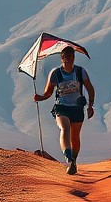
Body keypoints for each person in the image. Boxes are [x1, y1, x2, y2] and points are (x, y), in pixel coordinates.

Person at [32, 45, 95, 175]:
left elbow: (90, 88)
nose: (68, 60)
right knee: (64, 128)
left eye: (70, 58)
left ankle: (73, 162)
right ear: (62, 59)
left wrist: (90, 106)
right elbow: (48, 92)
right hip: (61, 107)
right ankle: (68, 157)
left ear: (74, 58)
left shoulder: (80, 72)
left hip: (77, 108)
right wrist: (40, 97)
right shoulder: (56, 73)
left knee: (75, 137)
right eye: (65, 58)